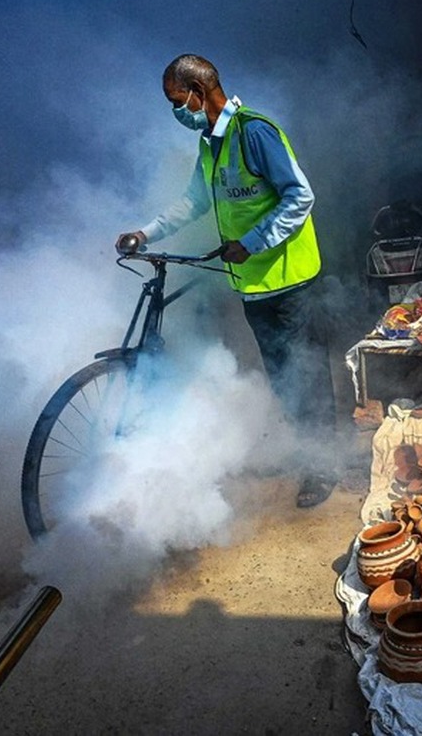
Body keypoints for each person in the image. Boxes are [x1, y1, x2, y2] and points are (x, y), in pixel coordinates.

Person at [115, 54, 337, 508]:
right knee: (282, 375)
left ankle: (325, 465)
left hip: (290, 279)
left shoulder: (254, 133)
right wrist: (146, 232)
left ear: (198, 92)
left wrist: (253, 242)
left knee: (307, 375)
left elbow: (301, 196)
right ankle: (308, 450)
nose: (176, 111)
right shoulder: (209, 144)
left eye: (177, 100)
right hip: (252, 285)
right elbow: (194, 202)